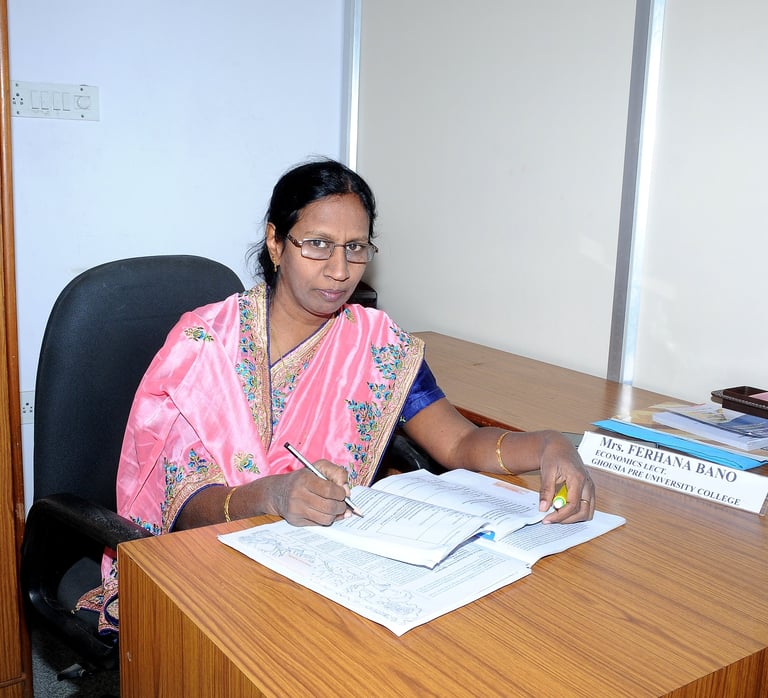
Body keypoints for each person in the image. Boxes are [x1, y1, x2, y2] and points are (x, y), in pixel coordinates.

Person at [76, 157, 594, 634]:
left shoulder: (374, 343)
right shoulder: (204, 344)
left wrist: (547, 444)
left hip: (321, 563)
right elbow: (184, 511)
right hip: (210, 566)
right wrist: (274, 494)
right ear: (276, 243)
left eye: (356, 248)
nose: (340, 270)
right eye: (318, 244)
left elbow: (458, 443)